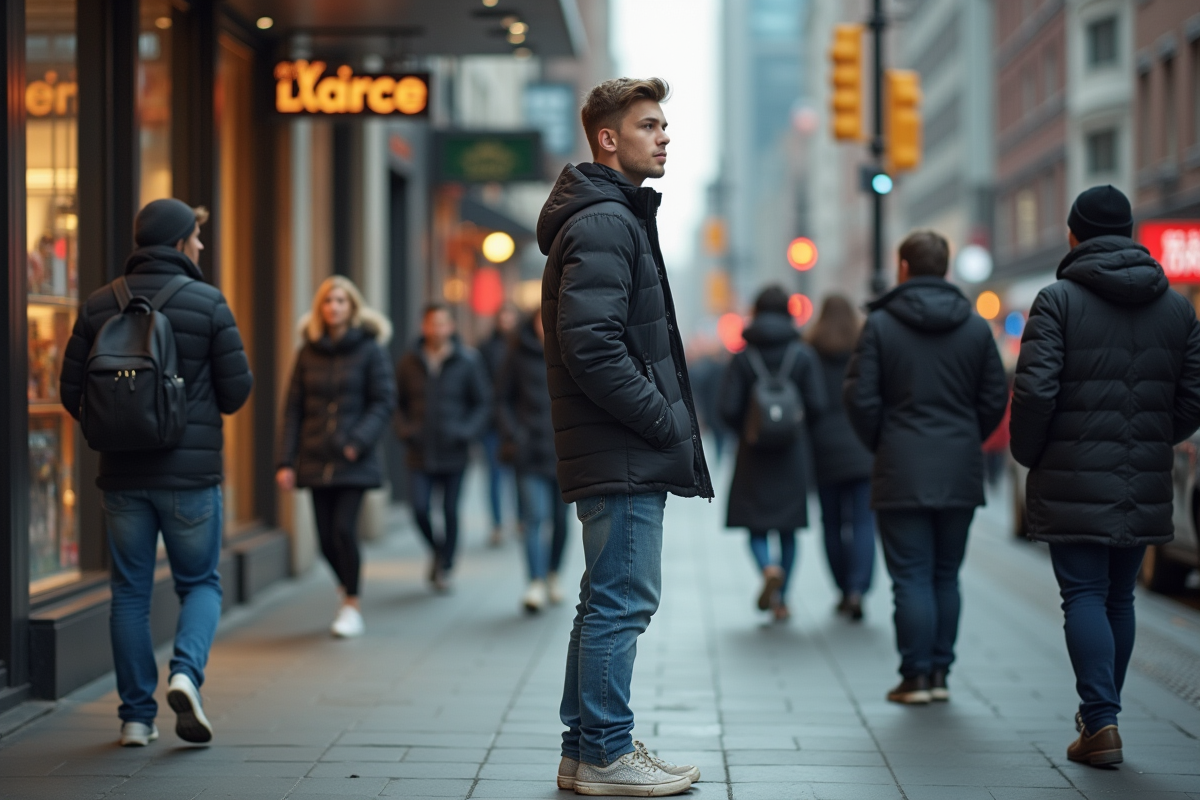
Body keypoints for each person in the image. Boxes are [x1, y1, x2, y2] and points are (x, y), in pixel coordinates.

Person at [539, 77, 711, 796]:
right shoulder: (608, 221)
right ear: (608, 138)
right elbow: (593, 344)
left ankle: (586, 752)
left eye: (664, 124)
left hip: (613, 447)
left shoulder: (611, 216)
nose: (664, 135)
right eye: (649, 125)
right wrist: (661, 419)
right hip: (623, 449)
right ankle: (608, 754)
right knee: (623, 601)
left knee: (602, 599)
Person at [1010, 185, 1200, 766]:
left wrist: (1031, 451)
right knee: (1120, 595)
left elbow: (1035, 391)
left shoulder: (1057, 300)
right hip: (1140, 473)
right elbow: (1192, 399)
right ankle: (1102, 718)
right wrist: (1147, 439)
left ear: (1074, 235)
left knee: (1085, 594)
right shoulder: (1176, 306)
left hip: (1071, 476)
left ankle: (1100, 721)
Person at [59, 199, 253, 746]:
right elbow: (237, 392)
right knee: (201, 584)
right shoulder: (209, 303)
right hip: (190, 480)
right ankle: (187, 674)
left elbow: (71, 393)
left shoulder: (99, 304)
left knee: (129, 593)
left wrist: (124, 427)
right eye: (195, 235)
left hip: (121, 478)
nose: (201, 245)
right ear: (177, 242)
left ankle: (135, 718)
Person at [844, 230, 1007, 706]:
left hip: (901, 465)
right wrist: (965, 438)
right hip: (959, 468)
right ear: (946, 268)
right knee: (945, 574)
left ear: (903, 268)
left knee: (911, 575)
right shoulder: (976, 327)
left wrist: (884, 440)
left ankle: (914, 676)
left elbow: (860, 396)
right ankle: (939, 672)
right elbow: (995, 396)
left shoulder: (880, 326)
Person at [276, 276, 396, 639]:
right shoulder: (307, 351)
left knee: (344, 529)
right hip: (314, 455)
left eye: (341, 301)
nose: (334, 307)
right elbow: (293, 408)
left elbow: (383, 400)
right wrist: (285, 461)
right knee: (326, 539)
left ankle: (352, 605)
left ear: (352, 307)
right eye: (328, 301)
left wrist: (357, 440)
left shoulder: (370, 349)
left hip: (352, 457)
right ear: (320, 309)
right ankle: (346, 587)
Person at [719, 286, 825, 622]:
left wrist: (748, 431)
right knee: (789, 528)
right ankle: (782, 599)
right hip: (792, 454)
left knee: (757, 525)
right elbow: (818, 405)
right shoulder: (802, 354)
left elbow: (727, 407)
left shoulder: (743, 356)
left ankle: (767, 569)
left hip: (754, 454)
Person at [394, 304, 491, 592]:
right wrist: (405, 430)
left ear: (451, 327)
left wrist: (466, 432)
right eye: (431, 323)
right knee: (420, 509)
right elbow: (395, 403)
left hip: (454, 450)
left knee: (450, 510)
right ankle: (437, 551)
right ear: (423, 326)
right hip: (419, 450)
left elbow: (483, 403)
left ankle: (445, 565)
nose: (436, 329)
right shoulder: (409, 362)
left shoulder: (468, 361)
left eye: (442, 323)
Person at [806, 294, 875, 621]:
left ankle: (841, 587)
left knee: (831, 523)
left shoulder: (810, 350)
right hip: (862, 445)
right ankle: (858, 588)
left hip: (824, 450)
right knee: (863, 522)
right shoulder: (864, 347)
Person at [496, 311, 569, 613]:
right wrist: (515, 433)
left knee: (561, 523)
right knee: (533, 518)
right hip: (528, 451)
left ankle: (552, 574)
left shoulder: (570, 349)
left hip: (564, 452)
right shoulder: (517, 352)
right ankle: (535, 581)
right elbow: (501, 398)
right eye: (541, 320)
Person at [479, 305, 520, 546]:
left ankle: (520, 519)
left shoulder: (522, 347)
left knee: (519, 475)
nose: (506, 322)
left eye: (510, 318)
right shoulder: (486, 348)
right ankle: (497, 524)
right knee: (494, 475)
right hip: (493, 424)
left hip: (517, 422)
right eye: (503, 317)